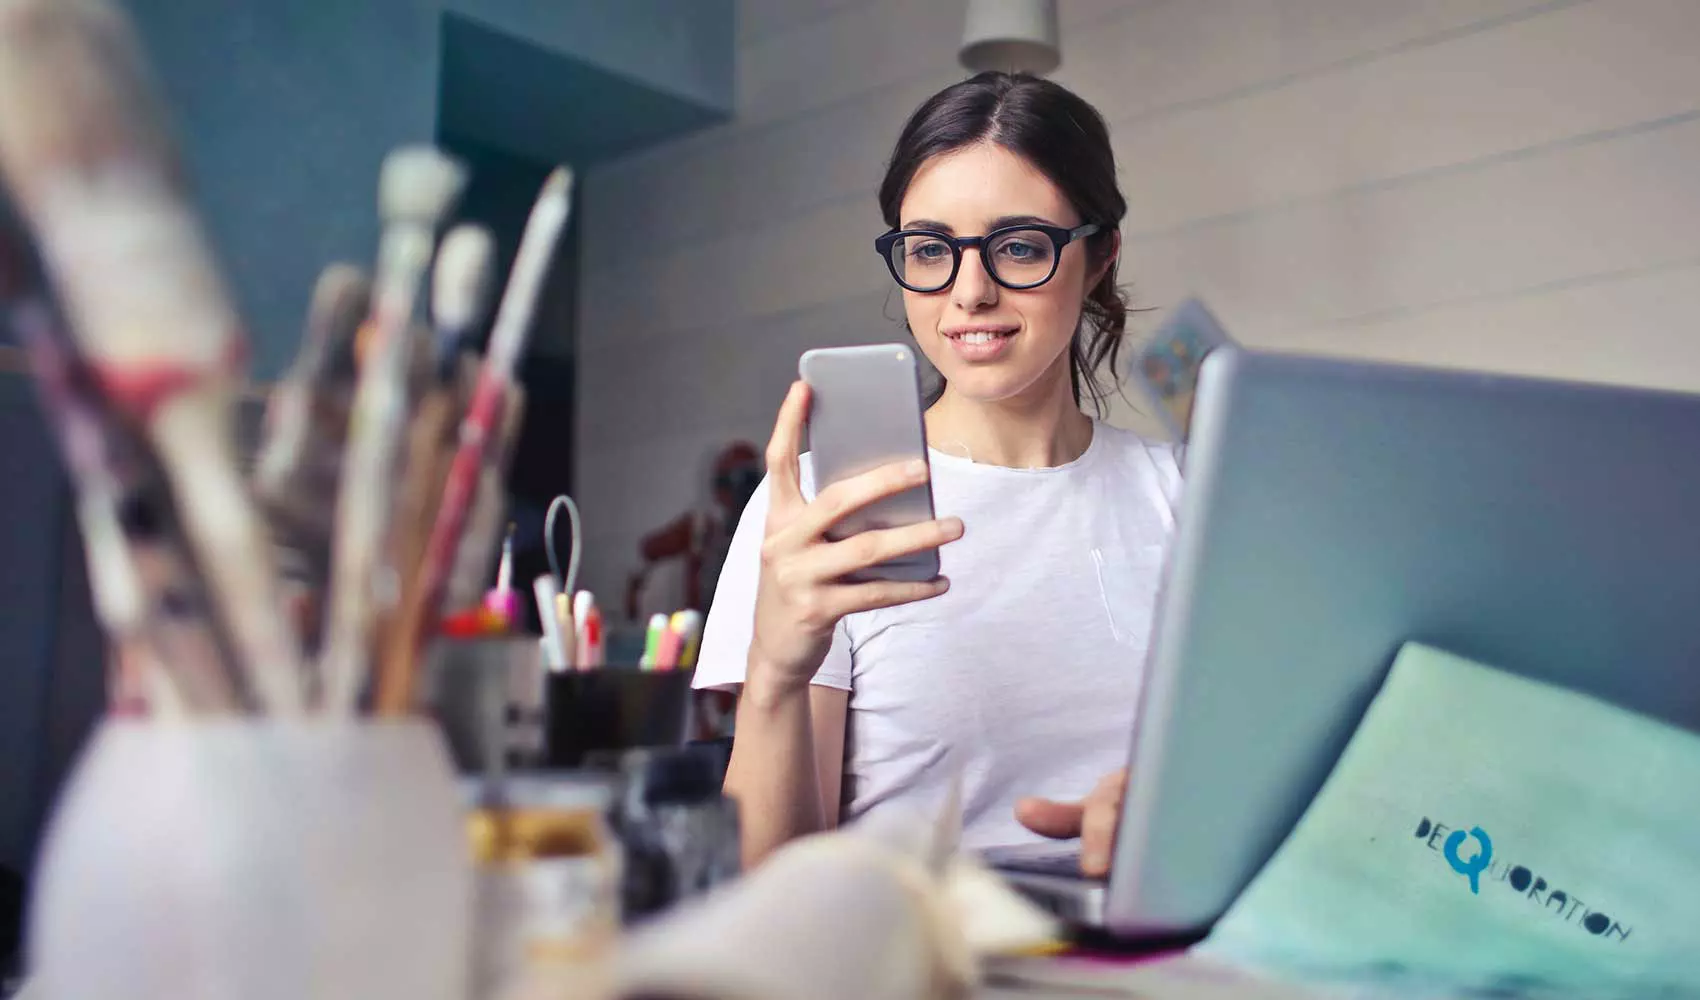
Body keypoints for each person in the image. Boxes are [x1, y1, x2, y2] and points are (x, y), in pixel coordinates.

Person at [693, 71, 1182, 875]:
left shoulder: (1187, 497)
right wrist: (776, 673)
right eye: (930, 250)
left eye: (1019, 246)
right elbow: (770, 883)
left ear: (1099, 257)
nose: (970, 292)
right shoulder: (824, 509)